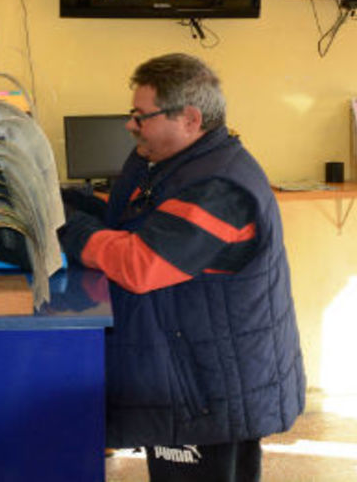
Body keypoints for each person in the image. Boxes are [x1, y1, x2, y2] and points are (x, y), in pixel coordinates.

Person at [58, 53, 305, 482]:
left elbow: (141, 263)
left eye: (141, 116)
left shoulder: (219, 187)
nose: (130, 125)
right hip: (189, 375)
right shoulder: (169, 163)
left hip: (205, 391)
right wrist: (68, 204)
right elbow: (130, 222)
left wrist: (70, 231)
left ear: (190, 119)